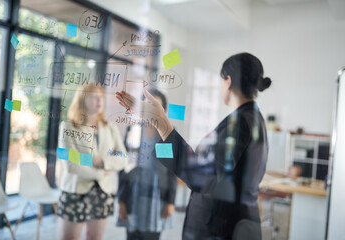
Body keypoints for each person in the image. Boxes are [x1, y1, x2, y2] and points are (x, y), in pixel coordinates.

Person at [116, 52, 271, 240]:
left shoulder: (240, 123)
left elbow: (202, 176)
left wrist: (161, 123)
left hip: (223, 227)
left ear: (227, 81)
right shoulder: (252, 119)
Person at [57, 83, 127, 240]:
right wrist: (102, 173)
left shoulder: (110, 128)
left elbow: (123, 158)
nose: (99, 100)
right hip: (75, 191)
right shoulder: (68, 127)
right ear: (82, 100)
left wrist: (102, 162)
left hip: (103, 193)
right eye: (94, 96)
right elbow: (71, 164)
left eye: (101, 97)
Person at [117, 89, 177, 240]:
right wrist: (121, 199)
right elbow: (124, 165)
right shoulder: (134, 130)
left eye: (155, 106)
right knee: (131, 234)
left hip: (157, 193)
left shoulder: (168, 134)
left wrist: (171, 201)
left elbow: (173, 171)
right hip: (133, 191)